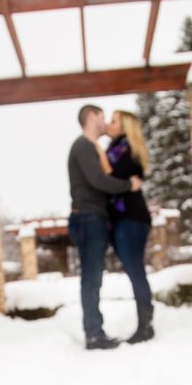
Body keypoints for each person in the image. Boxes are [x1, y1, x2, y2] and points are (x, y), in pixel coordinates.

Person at [68, 104, 142, 350]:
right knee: (91, 278)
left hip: (93, 218)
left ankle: (95, 331)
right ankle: (93, 334)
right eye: (102, 117)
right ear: (91, 117)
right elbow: (98, 180)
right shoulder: (83, 146)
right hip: (88, 218)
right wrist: (128, 185)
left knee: (94, 277)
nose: (105, 122)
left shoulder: (92, 147)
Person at [99, 109, 155, 344]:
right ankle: (145, 322)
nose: (108, 124)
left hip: (132, 218)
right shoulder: (114, 149)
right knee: (134, 270)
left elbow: (109, 176)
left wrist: (94, 145)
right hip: (121, 219)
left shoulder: (128, 150)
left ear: (125, 127)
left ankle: (146, 325)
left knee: (135, 270)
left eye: (113, 121)